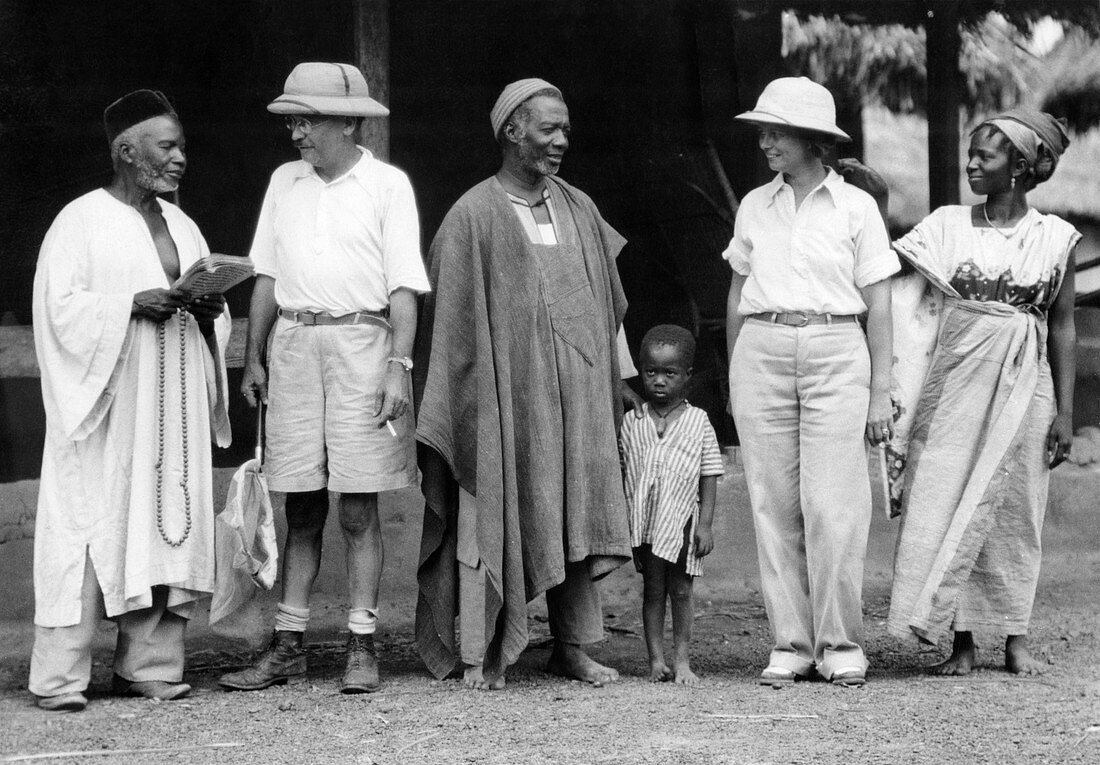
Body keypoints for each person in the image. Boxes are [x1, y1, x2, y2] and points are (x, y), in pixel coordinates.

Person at [414, 78, 632, 690]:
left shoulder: (579, 206)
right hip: (509, 402)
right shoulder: (472, 215)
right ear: (512, 131)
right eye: (548, 129)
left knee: (575, 515)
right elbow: (452, 324)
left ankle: (573, 647)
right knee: (503, 504)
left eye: (565, 130)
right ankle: (484, 648)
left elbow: (606, 303)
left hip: (582, 397)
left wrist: (623, 379)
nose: (562, 141)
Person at [218, 62, 428, 694]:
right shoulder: (285, 181)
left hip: (364, 344)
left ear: (347, 121)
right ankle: (288, 646)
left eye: (307, 120)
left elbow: (404, 288)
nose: (297, 133)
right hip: (293, 345)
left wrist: (400, 367)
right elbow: (266, 277)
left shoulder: (388, 185)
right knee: (300, 504)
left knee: (359, 508)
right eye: (293, 120)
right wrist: (253, 356)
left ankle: (362, 645)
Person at [30, 90, 231, 711]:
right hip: (109, 410)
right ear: (126, 151)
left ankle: (147, 665)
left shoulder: (182, 223)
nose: (180, 160)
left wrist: (208, 309)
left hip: (169, 406)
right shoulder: (80, 220)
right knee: (91, 522)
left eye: (182, 148)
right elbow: (55, 311)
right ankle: (61, 677)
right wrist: (126, 305)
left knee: (164, 522)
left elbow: (208, 308)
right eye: (167, 147)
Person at [881, 110, 1078, 676]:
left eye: (984, 157)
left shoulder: (1055, 237)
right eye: (970, 153)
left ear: (1018, 167)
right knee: (948, 495)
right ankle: (961, 642)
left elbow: (1061, 326)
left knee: (1016, 508)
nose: (970, 164)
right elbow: (892, 280)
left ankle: (1015, 638)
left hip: (1026, 383)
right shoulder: (945, 225)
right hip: (958, 380)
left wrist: (1065, 412)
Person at [723, 77, 898, 688]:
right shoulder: (754, 204)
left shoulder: (856, 207)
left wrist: (880, 391)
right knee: (773, 503)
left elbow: (879, 302)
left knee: (833, 504)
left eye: (776, 131)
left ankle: (840, 643)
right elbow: (739, 292)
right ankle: (791, 644)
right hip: (762, 351)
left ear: (812, 139)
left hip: (836, 350)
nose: (765, 141)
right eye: (763, 130)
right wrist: (734, 372)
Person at [620, 325, 723, 685]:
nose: (659, 381)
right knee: (652, 590)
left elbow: (709, 474)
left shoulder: (698, 421)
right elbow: (622, 471)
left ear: (687, 376)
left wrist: (705, 525)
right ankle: (655, 661)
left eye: (669, 373)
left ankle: (682, 661)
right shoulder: (632, 421)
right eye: (651, 373)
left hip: (682, 526)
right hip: (647, 525)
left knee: (680, 590)